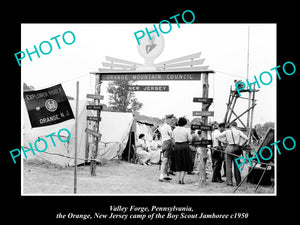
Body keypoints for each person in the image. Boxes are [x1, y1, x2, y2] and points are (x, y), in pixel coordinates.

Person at [216, 121, 248, 186]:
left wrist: (224, 141)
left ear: (230, 126)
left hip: (229, 147)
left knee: (228, 166)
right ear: (236, 126)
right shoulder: (238, 131)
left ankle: (229, 182)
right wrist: (241, 144)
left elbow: (217, 137)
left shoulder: (227, 131)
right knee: (237, 166)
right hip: (237, 148)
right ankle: (238, 182)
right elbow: (246, 138)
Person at [172, 117, 192, 184]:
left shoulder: (174, 130)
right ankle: (182, 180)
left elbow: (173, 138)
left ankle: (178, 179)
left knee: (178, 163)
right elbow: (190, 139)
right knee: (184, 163)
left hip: (177, 146)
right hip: (185, 146)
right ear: (185, 123)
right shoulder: (186, 130)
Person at [158, 115, 174, 182]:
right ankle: (161, 176)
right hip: (168, 142)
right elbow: (171, 135)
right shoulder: (168, 126)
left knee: (166, 160)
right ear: (167, 119)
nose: (171, 121)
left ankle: (165, 175)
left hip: (164, 142)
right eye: (170, 120)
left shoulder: (162, 127)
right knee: (165, 160)